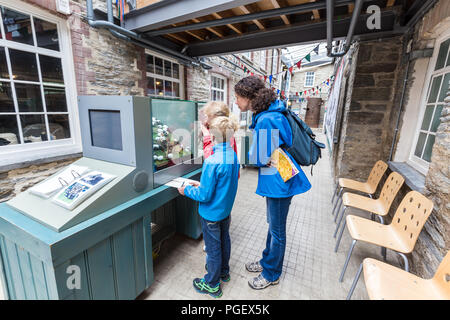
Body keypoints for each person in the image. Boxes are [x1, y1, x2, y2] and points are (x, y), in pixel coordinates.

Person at [234, 76, 312, 290]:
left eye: (238, 97)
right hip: (276, 176)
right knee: (273, 225)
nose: (236, 102)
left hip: (279, 181)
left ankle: (271, 273)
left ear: (249, 98)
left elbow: (257, 158)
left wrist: (255, 153)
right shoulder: (270, 113)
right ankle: (267, 261)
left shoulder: (267, 119)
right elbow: (263, 154)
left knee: (277, 230)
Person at [178, 116, 240, 298]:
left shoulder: (212, 161)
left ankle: (212, 285)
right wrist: (202, 186)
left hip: (211, 214)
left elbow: (204, 195)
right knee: (224, 241)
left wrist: (187, 189)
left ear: (212, 135)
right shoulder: (233, 155)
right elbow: (224, 184)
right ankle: (223, 272)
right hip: (225, 211)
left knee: (213, 250)